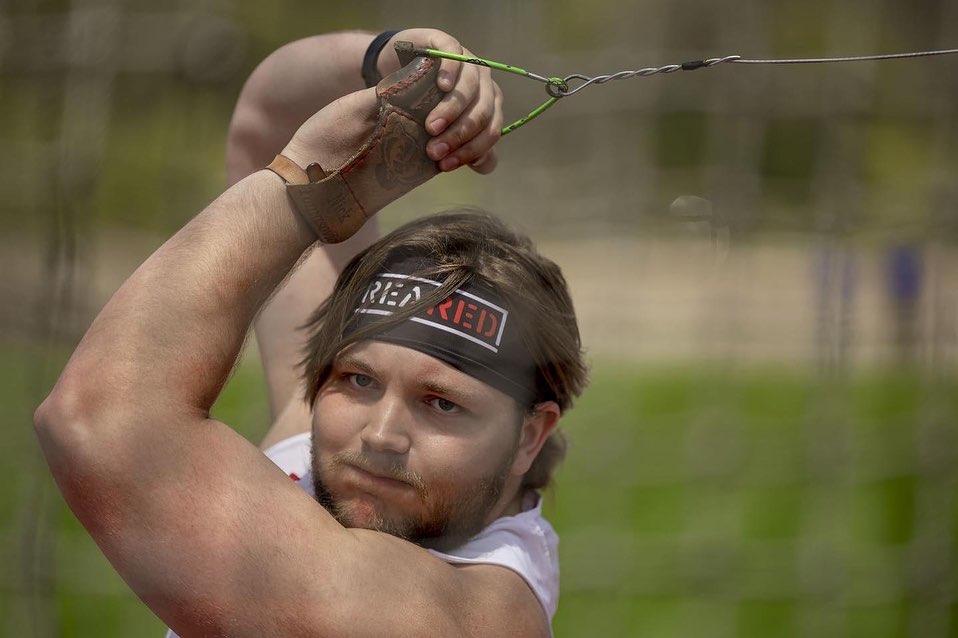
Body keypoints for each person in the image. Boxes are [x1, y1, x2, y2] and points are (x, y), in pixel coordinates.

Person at [34, 27, 587, 637]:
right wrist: (397, 62)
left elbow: (98, 418)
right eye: (359, 380)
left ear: (529, 436)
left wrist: (306, 184)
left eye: (441, 403)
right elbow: (269, 120)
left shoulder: (462, 615)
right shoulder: (328, 454)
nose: (380, 435)